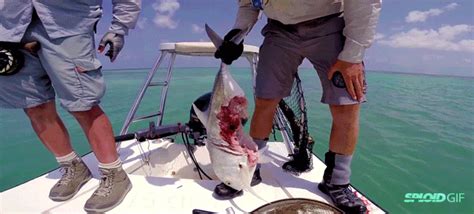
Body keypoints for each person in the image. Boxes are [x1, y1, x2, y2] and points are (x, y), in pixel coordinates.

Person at [214, 0, 381, 213]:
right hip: (278, 31)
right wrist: (238, 33)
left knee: (346, 106)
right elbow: (249, 4)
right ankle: (251, 167)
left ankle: (337, 181)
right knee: (265, 101)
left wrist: (353, 55)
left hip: (331, 26)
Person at [0, 1, 141, 212]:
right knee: (33, 106)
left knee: (83, 104)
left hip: (69, 24)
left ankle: (114, 174)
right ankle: (73, 167)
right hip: (9, 29)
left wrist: (119, 28)